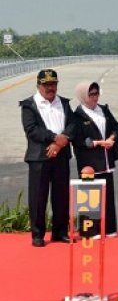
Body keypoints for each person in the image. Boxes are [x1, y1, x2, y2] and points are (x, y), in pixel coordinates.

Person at [20, 69, 75, 247]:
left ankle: (60, 232)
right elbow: (32, 130)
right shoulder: (29, 105)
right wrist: (53, 138)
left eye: (53, 84)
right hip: (39, 157)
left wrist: (59, 143)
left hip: (61, 154)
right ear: (39, 85)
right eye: (46, 84)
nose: (50, 88)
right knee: (38, 197)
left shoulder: (64, 103)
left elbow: (73, 125)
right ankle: (37, 234)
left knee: (61, 195)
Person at [71, 81, 118, 237]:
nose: (95, 97)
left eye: (96, 93)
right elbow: (78, 139)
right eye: (91, 94)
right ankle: (89, 230)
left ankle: (109, 228)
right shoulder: (77, 116)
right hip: (89, 162)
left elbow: (116, 127)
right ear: (83, 96)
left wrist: (112, 138)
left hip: (106, 160)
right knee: (89, 197)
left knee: (108, 196)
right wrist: (99, 143)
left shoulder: (104, 110)